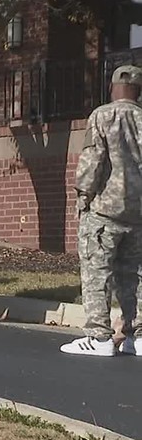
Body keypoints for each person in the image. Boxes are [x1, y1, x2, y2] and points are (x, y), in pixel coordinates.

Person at [63, 65, 142, 356]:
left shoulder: (102, 115)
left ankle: (99, 337)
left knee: (97, 272)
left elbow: (93, 160)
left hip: (104, 210)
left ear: (112, 88)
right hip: (139, 212)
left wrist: (82, 196)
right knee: (135, 275)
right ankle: (138, 335)